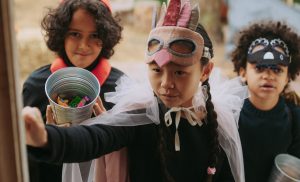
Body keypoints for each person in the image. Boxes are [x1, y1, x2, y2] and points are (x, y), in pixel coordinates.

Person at [23, 0, 247, 181]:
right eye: (156, 70)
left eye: (180, 72)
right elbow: (95, 137)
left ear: (205, 71)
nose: (165, 83)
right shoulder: (138, 114)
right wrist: (46, 138)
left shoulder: (217, 121)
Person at [22, 0, 129, 182]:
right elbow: (23, 155)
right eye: (75, 34)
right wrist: (48, 139)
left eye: (95, 35)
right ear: (61, 33)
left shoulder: (120, 88)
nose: (83, 46)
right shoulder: (36, 86)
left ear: (106, 36)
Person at [230, 21, 300, 182]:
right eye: (259, 68)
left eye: (277, 69)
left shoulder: (295, 119)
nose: (268, 75)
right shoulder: (230, 114)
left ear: (288, 76)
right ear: (243, 72)